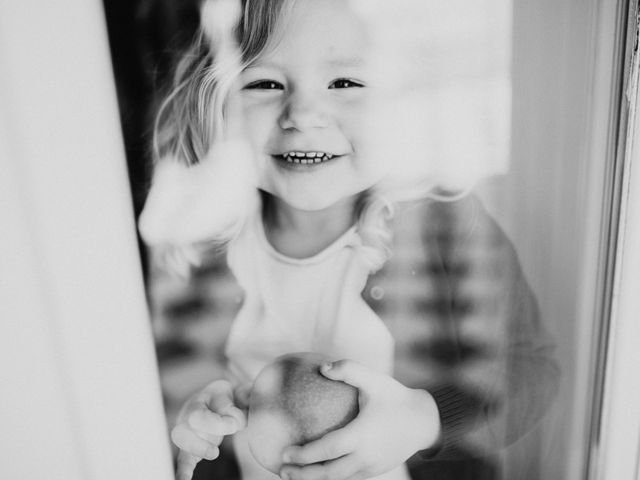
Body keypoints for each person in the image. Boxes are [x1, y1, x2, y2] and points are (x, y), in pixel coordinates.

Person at [138, 0, 560, 479]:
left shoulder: (447, 230)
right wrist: (198, 417)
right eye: (265, 82)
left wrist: (424, 418)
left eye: (345, 83)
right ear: (218, 101)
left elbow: (529, 367)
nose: (303, 114)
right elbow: (167, 383)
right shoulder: (201, 248)